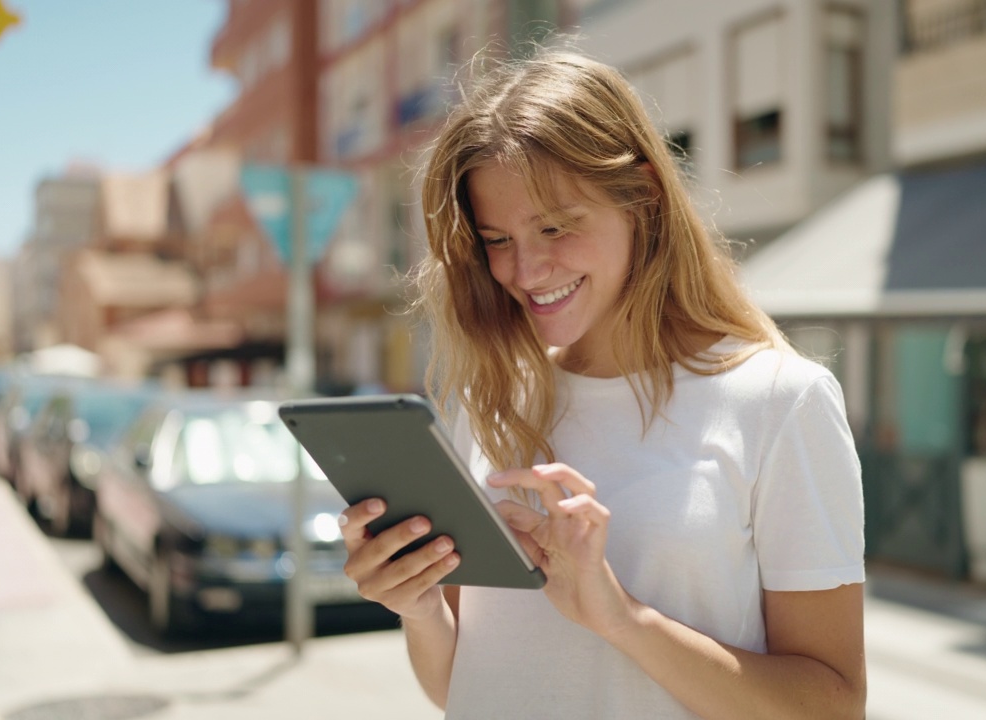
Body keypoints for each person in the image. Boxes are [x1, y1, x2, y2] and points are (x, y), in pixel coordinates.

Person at [338, 46, 866, 719]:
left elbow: (833, 707)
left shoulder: (780, 402)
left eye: (554, 227)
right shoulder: (494, 403)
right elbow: (465, 687)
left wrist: (623, 619)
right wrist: (416, 609)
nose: (525, 270)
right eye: (496, 239)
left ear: (642, 195)